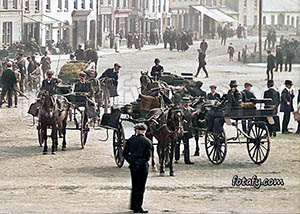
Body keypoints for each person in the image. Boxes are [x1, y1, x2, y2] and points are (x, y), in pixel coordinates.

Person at [123, 123, 151, 214]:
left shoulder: (131, 140)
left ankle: (133, 205)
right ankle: (138, 207)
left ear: (137, 131)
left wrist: (131, 161)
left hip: (133, 166)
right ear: (144, 131)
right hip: (143, 166)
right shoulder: (147, 141)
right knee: (141, 187)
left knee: (134, 185)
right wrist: (140, 162)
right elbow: (147, 156)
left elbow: (125, 154)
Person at [175, 97, 196, 165]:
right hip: (179, 129)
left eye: (187, 102)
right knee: (177, 144)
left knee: (186, 145)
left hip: (187, 129)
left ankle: (187, 160)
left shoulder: (191, 110)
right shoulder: (180, 110)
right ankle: (177, 158)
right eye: (185, 103)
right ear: (182, 103)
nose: (186, 104)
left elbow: (197, 111)